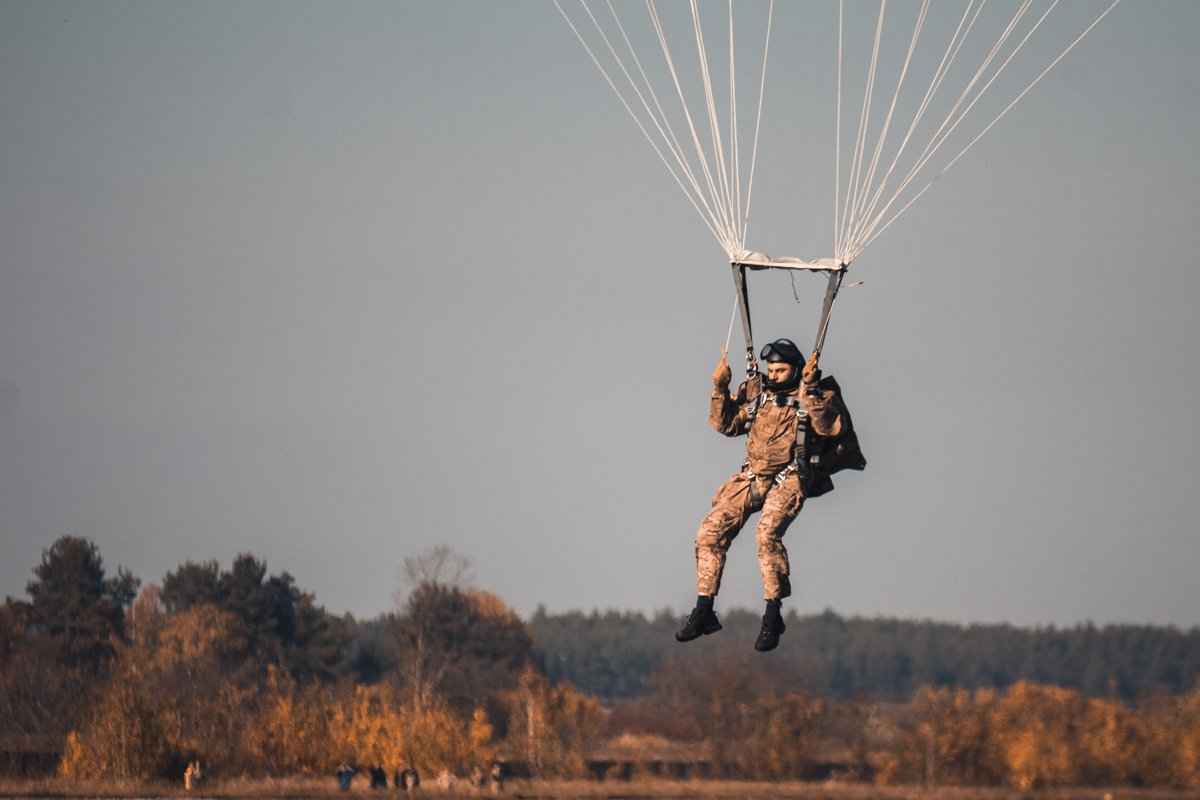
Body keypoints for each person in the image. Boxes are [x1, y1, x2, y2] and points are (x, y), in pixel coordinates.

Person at [677, 338, 847, 652]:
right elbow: (725, 424)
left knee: (765, 534)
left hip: (792, 476)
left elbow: (828, 428)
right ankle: (704, 610)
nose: (774, 375)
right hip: (754, 475)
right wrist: (719, 388)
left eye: (781, 370)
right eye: (771, 369)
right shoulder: (760, 396)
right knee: (708, 533)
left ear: (795, 369)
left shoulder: (816, 395)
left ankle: (772, 616)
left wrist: (810, 390)